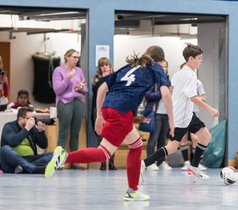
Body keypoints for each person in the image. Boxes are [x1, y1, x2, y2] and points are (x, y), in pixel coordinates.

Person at [47, 45, 174, 201]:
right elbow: (166, 94)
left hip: (109, 106)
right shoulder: (155, 67)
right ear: (161, 61)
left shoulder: (131, 65)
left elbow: (101, 88)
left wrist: (100, 115)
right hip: (122, 112)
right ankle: (64, 157)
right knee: (103, 153)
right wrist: (172, 122)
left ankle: (132, 190)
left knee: (136, 145)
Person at [142, 43, 219, 180]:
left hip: (187, 114)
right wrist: (210, 109)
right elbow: (193, 98)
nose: (201, 61)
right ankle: (143, 164)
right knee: (172, 147)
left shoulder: (179, 73)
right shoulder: (189, 75)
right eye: (199, 58)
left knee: (205, 136)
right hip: (182, 116)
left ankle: (194, 168)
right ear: (190, 59)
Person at [0, 107, 67, 175]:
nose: (32, 121)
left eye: (33, 118)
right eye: (29, 118)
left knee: (52, 155)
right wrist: (26, 128)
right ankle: (34, 169)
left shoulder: (32, 128)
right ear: (20, 119)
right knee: (5, 149)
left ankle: (24, 169)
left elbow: (44, 145)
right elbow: (13, 142)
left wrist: (41, 132)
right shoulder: (9, 126)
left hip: (29, 159)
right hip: (11, 162)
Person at [52, 49, 88, 169]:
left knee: (75, 133)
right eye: (74, 57)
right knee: (63, 132)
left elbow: (86, 90)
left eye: (78, 57)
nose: (76, 60)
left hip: (78, 102)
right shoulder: (58, 70)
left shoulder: (79, 70)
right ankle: (59, 161)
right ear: (67, 57)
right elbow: (57, 90)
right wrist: (67, 78)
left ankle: (74, 160)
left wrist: (81, 88)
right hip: (65, 102)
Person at [145, 60, 172, 171]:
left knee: (163, 140)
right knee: (153, 139)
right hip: (156, 113)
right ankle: (150, 162)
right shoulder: (153, 80)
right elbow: (148, 95)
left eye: (166, 66)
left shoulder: (168, 81)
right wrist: (162, 93)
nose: (164, 69)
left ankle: (161, 162)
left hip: (166, 114)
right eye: (162, 67)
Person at [92, 57, 117, 171]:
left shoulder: (115, 77)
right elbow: (98, 90)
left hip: (111, 109)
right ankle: (102, 163)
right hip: (99, 110)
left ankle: (111, 162)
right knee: (101, 137)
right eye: (102, 65)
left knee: (113, 136)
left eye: (106, 65)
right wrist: (105, 78)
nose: (105, 67)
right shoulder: (97, 80)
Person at [180, 79, 207, 171]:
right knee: (182, 138)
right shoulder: (179, 82)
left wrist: (193, 98)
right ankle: (186, 163)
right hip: (181, 112)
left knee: (195, 138)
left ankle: (195, 163)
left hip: (193, 112)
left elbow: (203, 97)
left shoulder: (198, 82)